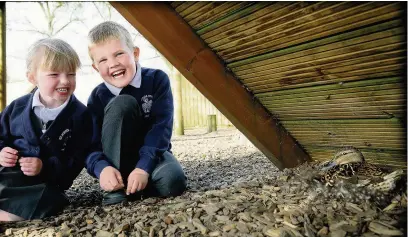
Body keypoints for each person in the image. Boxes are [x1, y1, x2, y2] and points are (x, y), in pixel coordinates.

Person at [86, 21, 187, 205]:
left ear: (135, 53)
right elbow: (90, 144)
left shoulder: (157, 80)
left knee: (173, 182)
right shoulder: (97, 97)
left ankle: (138, 182)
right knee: (122, 103)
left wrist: (143, 168)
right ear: (95, 67)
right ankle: (117, 187)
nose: (113, 64)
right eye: (103, 60)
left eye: (119, 54)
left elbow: (161, 127)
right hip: (116, 162)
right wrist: (102, 169)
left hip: (152, 156)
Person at [0, 38, 102, 221]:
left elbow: (75, 161)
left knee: (49, 200)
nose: (64, 81)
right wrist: (1, 151)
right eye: (54, 74)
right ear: (33, 77)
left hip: (43, 183)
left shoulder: (80, 116)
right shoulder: (16, 108)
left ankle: (9, 214)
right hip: (7, 175)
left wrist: (44, 167)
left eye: (71, 74)